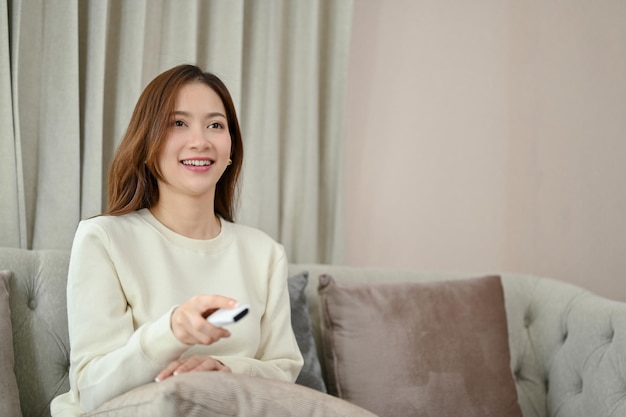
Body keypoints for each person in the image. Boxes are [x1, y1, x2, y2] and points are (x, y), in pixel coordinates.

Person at [51, 64, 304, 416]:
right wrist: (172, 331)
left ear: (231, 149)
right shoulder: (104, 239)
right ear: (147, 143)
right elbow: (93, 390)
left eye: (215, 125)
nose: (200, 140)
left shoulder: (265, 253)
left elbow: (283, 372)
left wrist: (227, 371)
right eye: (178, 123)